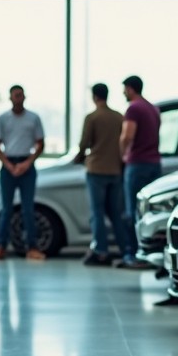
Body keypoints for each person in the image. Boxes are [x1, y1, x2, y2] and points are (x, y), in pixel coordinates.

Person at [74, 83, 132, 266]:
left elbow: (84, 143)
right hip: (115, 170)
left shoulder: (92, 117)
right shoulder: (119, 117)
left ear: (94, 97)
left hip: (96, 170)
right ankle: (125, 249)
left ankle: (101, 251)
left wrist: (79, 157)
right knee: (116, 213)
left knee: (97, 213)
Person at [0, 85, 45, 261]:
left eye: (20, 95)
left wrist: (27, 163)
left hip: (27, 165)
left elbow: (40, 144)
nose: (18, 98)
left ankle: (32, 247)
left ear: (24, 97)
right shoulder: (3, 118)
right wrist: (8, 165)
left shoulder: (34, 118)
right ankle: (1, 247)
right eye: (15, 95)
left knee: (28, 209)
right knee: (6, 209)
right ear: (10, 98)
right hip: (8, 165)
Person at [119, 75, 161, 268]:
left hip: (137, 164)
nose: (123, 93)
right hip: (154, 163)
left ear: (130, 89)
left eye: (124, 89)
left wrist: (122, 155)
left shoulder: (133, 108)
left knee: (132, 212)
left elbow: (127, 136)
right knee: (149, 212)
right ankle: (148, 253)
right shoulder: (153, 109)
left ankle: (134, 255)